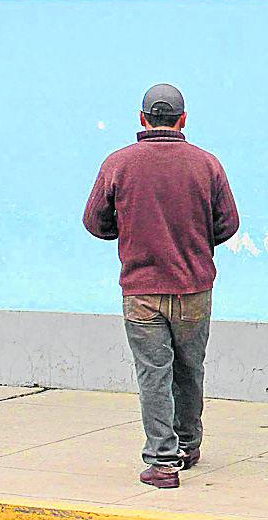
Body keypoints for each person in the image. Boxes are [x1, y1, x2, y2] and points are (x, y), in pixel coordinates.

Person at [82, 83, 240, 489]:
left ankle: (162, 462)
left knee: (154, 373)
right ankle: (188, 444)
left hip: (142, 289)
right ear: (183, 120)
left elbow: (96, 223)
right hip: (194, 288)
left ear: (142, 118)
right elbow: (228, 224)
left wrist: (133, 232)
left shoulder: (118, 164)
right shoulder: (207, 165)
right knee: (190, 368)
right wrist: (196, 245)